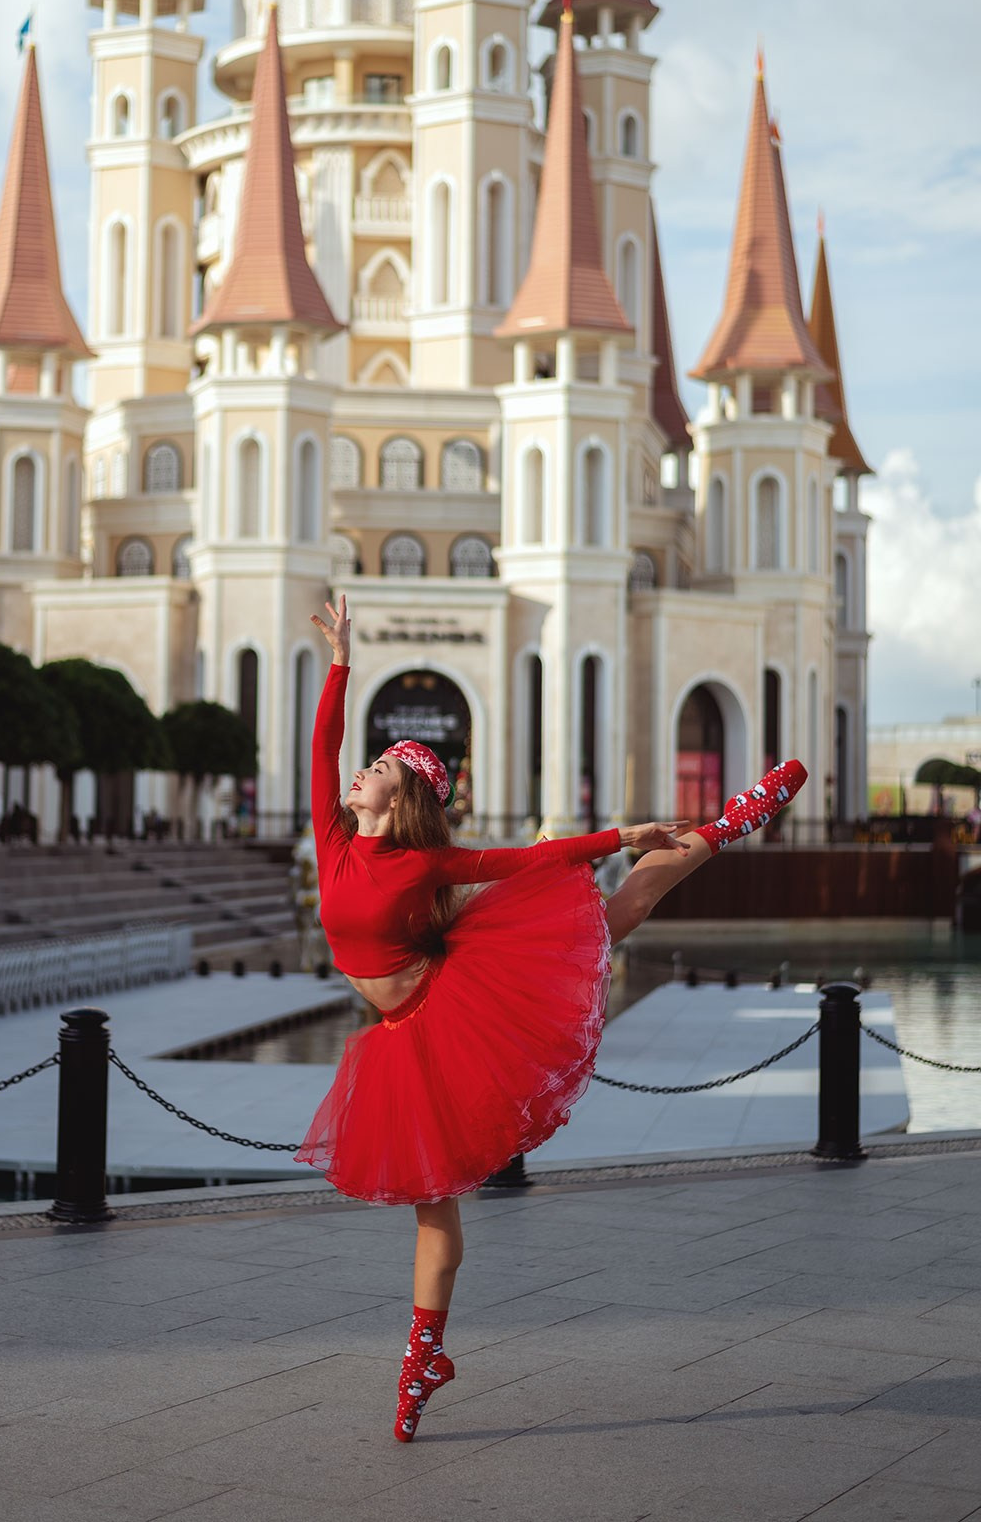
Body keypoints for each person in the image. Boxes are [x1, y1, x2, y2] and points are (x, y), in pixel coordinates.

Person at [298, 597, 807, 1443]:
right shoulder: (332, 838)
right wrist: (343, 658)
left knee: (621, 907)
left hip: (459, 1002)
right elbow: (321, 742)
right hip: (406, 1040)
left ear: (406, 789)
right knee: (435, 1207)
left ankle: (725, 824)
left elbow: (523, 858)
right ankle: (427, 1356)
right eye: (370, 759)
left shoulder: (426, 859)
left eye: (380, 763)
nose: (361, 768)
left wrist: (621, 833)